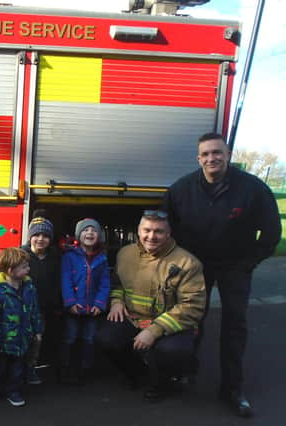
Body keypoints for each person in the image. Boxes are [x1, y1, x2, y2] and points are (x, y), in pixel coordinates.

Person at [162, 132, 282, 417]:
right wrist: (178, 262)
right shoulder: (181, 189)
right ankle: (185, 373)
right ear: (198, 158)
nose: (211, 158)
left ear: (228, 155)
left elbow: (271, 233)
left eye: (217, 152)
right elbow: (165, 228)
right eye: (205, 154)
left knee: (234, 327)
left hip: (234, 267)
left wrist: (248, 263)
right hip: (194, 268)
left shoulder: (253, 189)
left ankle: (232, 388)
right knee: (191, 321)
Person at [95, 210, 206, 402]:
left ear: (169, 233)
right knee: (105, 339)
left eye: (158, 231)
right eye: (146, 230)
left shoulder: (188, 263)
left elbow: (192, 306)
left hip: (168, 323)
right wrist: (116, 302)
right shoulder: (125, 254)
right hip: (134, 317)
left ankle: (163, 383)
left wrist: (155, 330)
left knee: (172, 351)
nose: (151, 236)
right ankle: (136, 373)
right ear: (138, 231)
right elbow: (117, 284)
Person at [0, 247, 43, 407]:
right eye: (24, 267)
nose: (28, 269)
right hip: (2, 341)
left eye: (27, 265)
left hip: (22, 339)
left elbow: (35, 310)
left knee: (17, 369)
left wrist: (37, 330)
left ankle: (13, 391)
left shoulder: (29, 287)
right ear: (10, 270)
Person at [59, 218, 110, 384]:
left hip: (92, 309)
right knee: (70, 338)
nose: (90, 233)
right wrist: (70, 303)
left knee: (89, 339)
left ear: (99, 236)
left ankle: (85, 369)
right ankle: (65, 368)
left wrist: (99, 304)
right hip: (74, 308)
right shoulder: (69, 257)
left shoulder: (102, 259)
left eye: (94, 230)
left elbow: (104, 284)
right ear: (78, 235)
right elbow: (65, 280)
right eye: (85, 230)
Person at [20, 213, 62, 385]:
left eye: (45, 236)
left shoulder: (55, 257)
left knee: (38, 342)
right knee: (23, 340)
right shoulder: (22, 255)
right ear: (30, 237)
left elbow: (59, 280)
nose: (40, 239)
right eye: (36, 235)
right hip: (25, 308)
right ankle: (20, 370)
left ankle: (31, 369)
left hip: (46, 308)